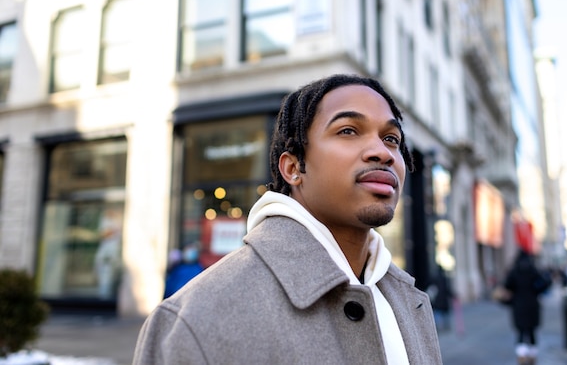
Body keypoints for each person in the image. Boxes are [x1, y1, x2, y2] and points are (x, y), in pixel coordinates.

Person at [132, 74, 443, 364]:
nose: (383, 151)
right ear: (293, 168)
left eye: (391, 138)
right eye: (348, 130)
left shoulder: (411, 300)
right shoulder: (194, 321)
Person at [504, 250, 552, 365]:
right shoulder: (533, 270)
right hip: (532, 305)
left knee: (521, 331)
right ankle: (532, 355)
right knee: (531, 332)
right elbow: (545, 283)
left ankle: (521, 355)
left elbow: (507, 286)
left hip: (519, 305)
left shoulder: (514, 271)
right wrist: (536, 291)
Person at [428, 265, 455, 332]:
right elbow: (447, 289)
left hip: (437, 300)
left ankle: (437, 326)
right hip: (443, 300)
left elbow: (431, 289)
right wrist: (453, 295)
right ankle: (446, 326)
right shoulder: (444, 279)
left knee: (438, 313)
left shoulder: (434, 278)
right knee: (444, 313)